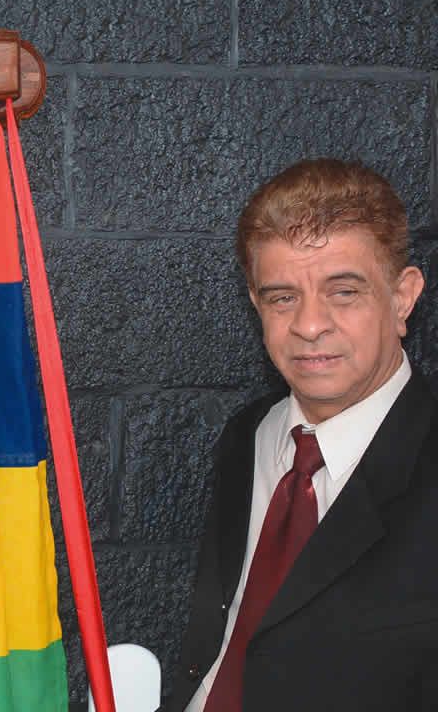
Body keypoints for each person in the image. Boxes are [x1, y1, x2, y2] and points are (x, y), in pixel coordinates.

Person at [168, 159, 438, 711]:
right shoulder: (251, 436)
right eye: (282, 297)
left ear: (403, 296)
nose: (309, 325)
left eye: (343, 292)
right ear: (255, 303)